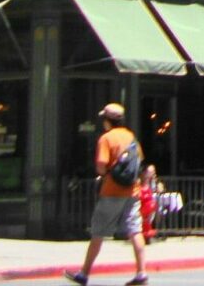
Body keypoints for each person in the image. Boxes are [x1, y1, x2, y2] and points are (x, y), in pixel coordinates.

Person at [65, 103, 148, 286]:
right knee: (135, 230)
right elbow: (140, 161)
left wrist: (103, 175)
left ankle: (84, 273)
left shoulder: (106, 138)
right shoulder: (131, 137)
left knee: (98, 232)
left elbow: (101, 165)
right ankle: (141, 272)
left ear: (107, 121)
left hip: (111, 191)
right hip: (132, 191)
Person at [136, 164, 160, 245]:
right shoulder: (139, 182)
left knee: (148, 221)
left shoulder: (151, 181)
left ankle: (147, 237)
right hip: (143, 203)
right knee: (144, 221)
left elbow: (158, 188)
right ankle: (144, 237)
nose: (147, 174)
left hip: (149, 203)